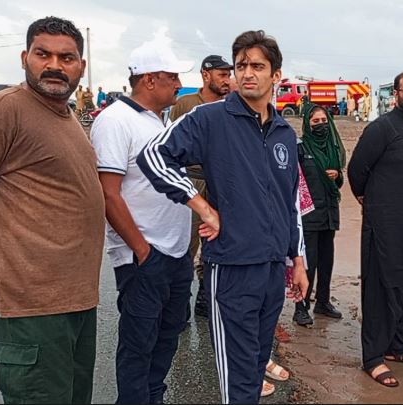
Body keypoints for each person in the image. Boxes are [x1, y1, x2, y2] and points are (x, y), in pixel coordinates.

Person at [136, 30, 309, 404]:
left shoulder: (284, 132)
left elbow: (290, 201)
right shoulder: (210, 118)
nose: (247, 73)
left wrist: (297, 260)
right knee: (238, 381)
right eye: (241, 65)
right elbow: (153, 156)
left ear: (276, 75)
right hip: (231, 268)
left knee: (256, 367)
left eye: (257, 66)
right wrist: (201, 206)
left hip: (272, 270)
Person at [0, 16, 105, 403]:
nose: (54, 65)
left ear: (81, 66)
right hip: (32, 306)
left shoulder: (66, 116)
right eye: (42, 54)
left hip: (77, 300)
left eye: (66, 57)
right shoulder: (2, 112)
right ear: (24, 58)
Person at [90, 41, 194, 404]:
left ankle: (154, 397)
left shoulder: (160, 121)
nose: (179, 84)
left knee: (167, 336)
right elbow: (108, 194)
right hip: (144, 255)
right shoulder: (115, 121)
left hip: (175, 252)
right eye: (172, 76)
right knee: (139, 344)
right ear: (149, 80)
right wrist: (142, 250)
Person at [348, 70, 403, 388]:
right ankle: (373, 358)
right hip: (384, 226)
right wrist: (369, 200)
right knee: (382, 291)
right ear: (396, 94)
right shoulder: (382, 128)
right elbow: (356, 170)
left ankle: (397, 347)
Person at [168, 54, 233, 319]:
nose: (227, 80)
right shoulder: (186, 104)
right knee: (188, 241)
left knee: (215, 241)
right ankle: (180, 301)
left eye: (229, 75)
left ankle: (206, 297)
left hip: (222, 183)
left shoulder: (232, 106)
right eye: (222, 75)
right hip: (193, 180)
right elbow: (169, 144)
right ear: (206, 75)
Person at [293, 104, 346, 327]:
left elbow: (339, 182)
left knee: (327, 261)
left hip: (329, 213)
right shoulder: (300, 148)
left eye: (324, 120)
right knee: (309, 262)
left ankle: (323, 302)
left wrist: (337, 175)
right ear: (307, 124)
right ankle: (301, 306)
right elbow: (292, 181)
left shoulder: (333, 148)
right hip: (308, 214)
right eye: (315, 121)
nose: (321, 125)